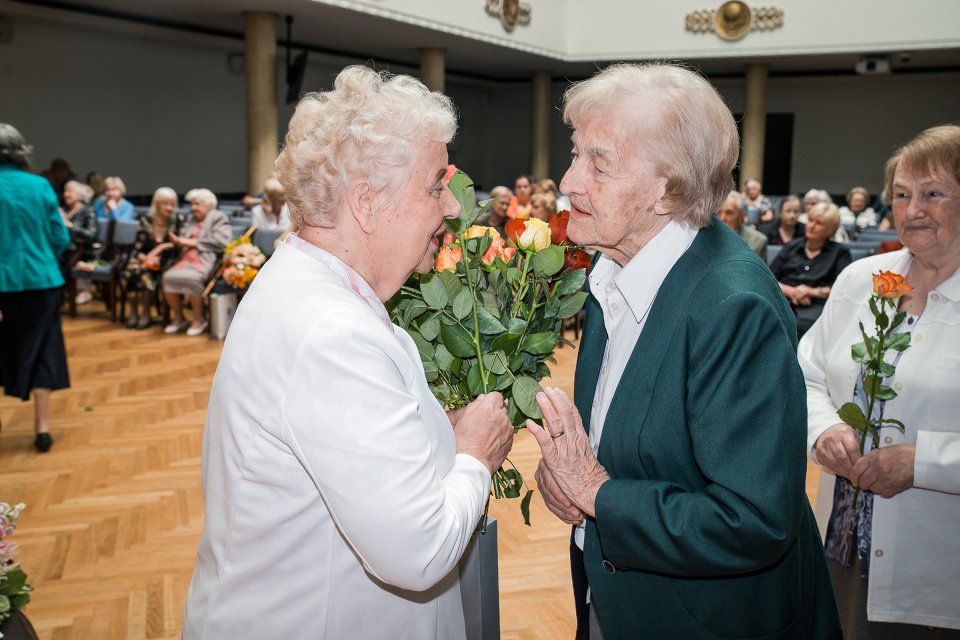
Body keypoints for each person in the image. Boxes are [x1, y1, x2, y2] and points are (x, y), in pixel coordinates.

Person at [182, 65, 514, 639]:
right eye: (436, 186)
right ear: (366, 202)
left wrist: (438, 434)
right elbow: (420, 550)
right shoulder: (331, 332)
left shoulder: (314, 286)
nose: (453, 208)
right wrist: (474, 455)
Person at [523, 64, 840, 639]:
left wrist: (599, 496)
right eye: (575, 154)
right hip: (621, 597)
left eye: (599, 162)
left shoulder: (731, 307)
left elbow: (753, 520)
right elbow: (621, 446)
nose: (569, 181)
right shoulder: (613, 270)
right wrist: (566, 482)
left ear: (667, 188)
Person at [800, 124, 960, 638]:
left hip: (936, 566)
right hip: (840, 542)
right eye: (902, 194)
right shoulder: (860, 280)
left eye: (933, 194)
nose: (913, 210)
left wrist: (926, 463)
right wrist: (823, 430)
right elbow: (805, 376)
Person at [0, 124, 71, 453]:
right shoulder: (39, 185)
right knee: (44, 347)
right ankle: (42, 429)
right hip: (41, 281)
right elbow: (60, 237)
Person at [770, 202, 852, 337]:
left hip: (817, 305)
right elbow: (769, 277)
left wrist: (810, 291)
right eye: (811, 220)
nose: (811, 226)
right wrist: (793, 292)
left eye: (819, 223)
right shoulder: (792, 246)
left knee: (802, 326)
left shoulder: (839, 252)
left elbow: (843, 287)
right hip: (784, 299)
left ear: (830, 229)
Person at [162, 188, 230, 336]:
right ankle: (179, 319)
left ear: (209, 205)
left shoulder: (218, 217)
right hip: (185, 259)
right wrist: (178, 241)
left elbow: (222, 242)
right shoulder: (192, 219)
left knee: (192, 279)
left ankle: (199, 320)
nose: (193, 208)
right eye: (192, 204)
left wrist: (190, 242)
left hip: (205, 259)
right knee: (168, 277)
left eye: (197, 204)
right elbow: (183, 239)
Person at [121, 187, 183, 329]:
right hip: (145, 260)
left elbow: (177, 247)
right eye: (165, 204)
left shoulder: (177, 221)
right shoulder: (145, 221)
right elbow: (137, 249)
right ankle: (134, 312)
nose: (169, 208)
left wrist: (158, 251)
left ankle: (145, 313)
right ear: (156, 204)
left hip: (165, 262)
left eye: (172, 204)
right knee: (132, 269)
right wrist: (147, 258)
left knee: (141, 271)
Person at [717, 189, 768, 258]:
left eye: (729, 213)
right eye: (718, 212)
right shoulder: (705, 236)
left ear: (741, 216)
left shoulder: (758, 241)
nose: (722, 218)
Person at [59, 179, 98, 264]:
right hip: (63, 248)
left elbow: (91, 235)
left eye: (69, 191)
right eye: (65, 191)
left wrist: (70, 226)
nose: (65, 194)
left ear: (80, 195)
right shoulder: (64, 210)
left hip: (80, 251)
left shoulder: (88, 211)